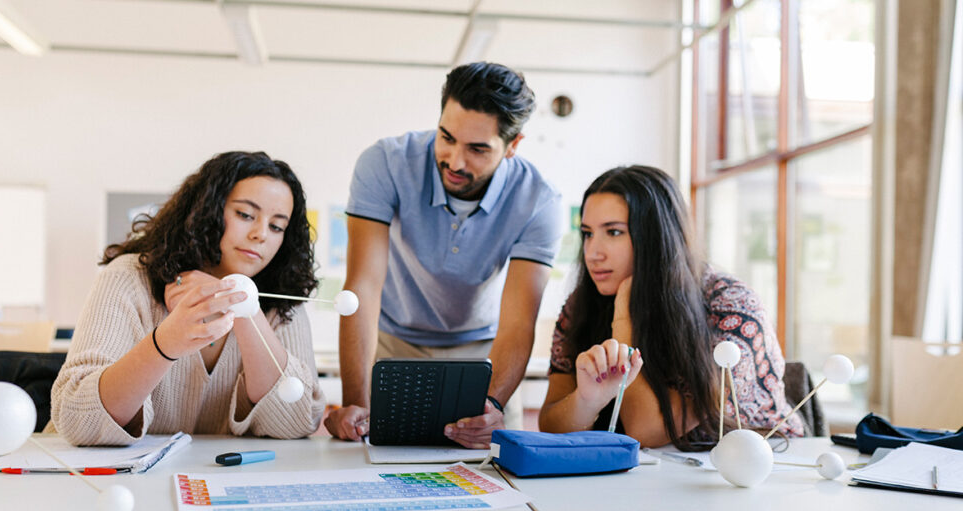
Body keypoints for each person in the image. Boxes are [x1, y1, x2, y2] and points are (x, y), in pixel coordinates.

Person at [324, 62, 563, 448]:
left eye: (477, 149)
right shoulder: (385, 162)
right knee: (376, 464)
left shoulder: (539, 200)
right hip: (394, 344)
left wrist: (492, 403)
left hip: (483, 354)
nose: (454, 161)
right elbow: (362, 289)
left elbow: (519, 323)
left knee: (493, 475)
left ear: (513, 145)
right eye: (446, 137)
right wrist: (356, 403)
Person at [51, 151, 326, 446]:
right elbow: (78, 418)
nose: (261, 234)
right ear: (207, 209)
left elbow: (299, 422)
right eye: (245, 215)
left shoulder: (283, 300)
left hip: (217, 482)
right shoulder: (129, 277)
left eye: (276, 226)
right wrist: (166, 342)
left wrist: (243, 304)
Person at [539, 166, 804, 450]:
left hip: (766, 468)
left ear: (658, 237)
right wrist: (587, 401)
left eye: (614, 232)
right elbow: (552, 426)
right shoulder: (582, 305)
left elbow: (647, 432)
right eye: (588, 233)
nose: (593, 253)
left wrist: (624, 322)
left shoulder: (731, 307)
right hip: (657, 477)